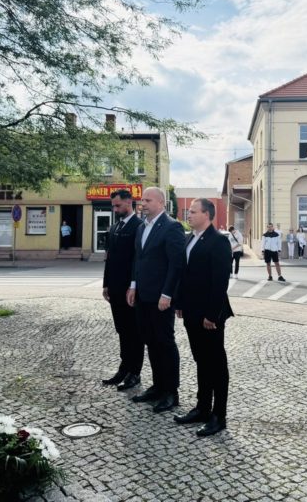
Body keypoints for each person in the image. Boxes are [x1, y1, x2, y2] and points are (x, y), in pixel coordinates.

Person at [173, 198, 233, 437]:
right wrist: (180, 303)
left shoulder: (219, 241)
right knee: (201, 361)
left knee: (216, 365)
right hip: (191, 311)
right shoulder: (189, 238)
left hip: (211, 313)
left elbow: (220, 281)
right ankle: (202, 407)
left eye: (193, 212)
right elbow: (184, 275)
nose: (189, 215)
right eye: (189, 211)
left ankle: (219, 415)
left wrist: (212, 314)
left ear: (207, 215)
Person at [127, 187, 186, 413]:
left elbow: (176, 264)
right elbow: (137, 259)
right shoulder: (142, 227)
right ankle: (158, 386)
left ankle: (171, 392)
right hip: (142, 295)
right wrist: (133, 285)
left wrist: (168, 294)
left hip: (161, 297)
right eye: (142, 200)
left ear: (161, 203)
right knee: (150, 340)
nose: (143, 203)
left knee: (164, 342)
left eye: (148, 200)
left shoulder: (172, 227)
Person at [101, 189, 144, 391]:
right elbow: (109, 259)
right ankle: (123, 368)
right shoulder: (115, 226)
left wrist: (133, 285)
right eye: (113, 206)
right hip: (115, 290)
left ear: (129, 203)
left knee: (134, 332)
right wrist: (105, 284)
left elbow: (138, 260)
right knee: (122, 330)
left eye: (118, 205)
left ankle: (134, 372)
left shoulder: (139, 227)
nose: (115, 209)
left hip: (130, 290)